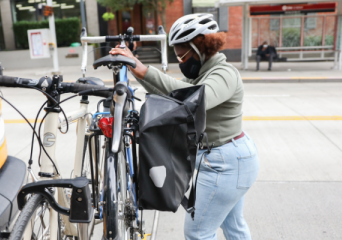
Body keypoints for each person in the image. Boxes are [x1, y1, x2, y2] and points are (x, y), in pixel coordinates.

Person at [110, 13, 259, 240]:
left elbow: (193, 99)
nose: (181, 62)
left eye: (182, 56)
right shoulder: (203, 73)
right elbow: (173, 93)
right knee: (234, 226)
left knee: (198, 233)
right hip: (228, 159)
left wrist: (142, 69)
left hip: (227, 163)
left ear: (200, 47)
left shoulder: (224, 74)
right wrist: (135, 69)